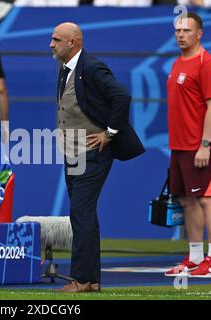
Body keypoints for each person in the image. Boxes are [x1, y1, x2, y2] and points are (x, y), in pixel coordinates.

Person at [49, 22, 145, 293]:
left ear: (73, 42)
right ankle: (90, 281)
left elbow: (121, 97)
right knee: (85, 215)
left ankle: (80, 279)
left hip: (93, 152)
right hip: (74, 153)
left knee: (80, 212)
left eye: (56, 39)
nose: (51, 44)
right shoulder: (66, 69)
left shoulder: (91, 67)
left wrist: (109, 133)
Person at [165, 12, 211, 278]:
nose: (181, 34)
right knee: (186, 200)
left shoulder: (206, 63)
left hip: (199, 146)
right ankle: (196, 256)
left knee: (206, 198)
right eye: (178, 30)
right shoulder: (178, 62)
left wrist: (205, 144)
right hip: (179, 145)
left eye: (187, 30)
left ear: (199, 34)